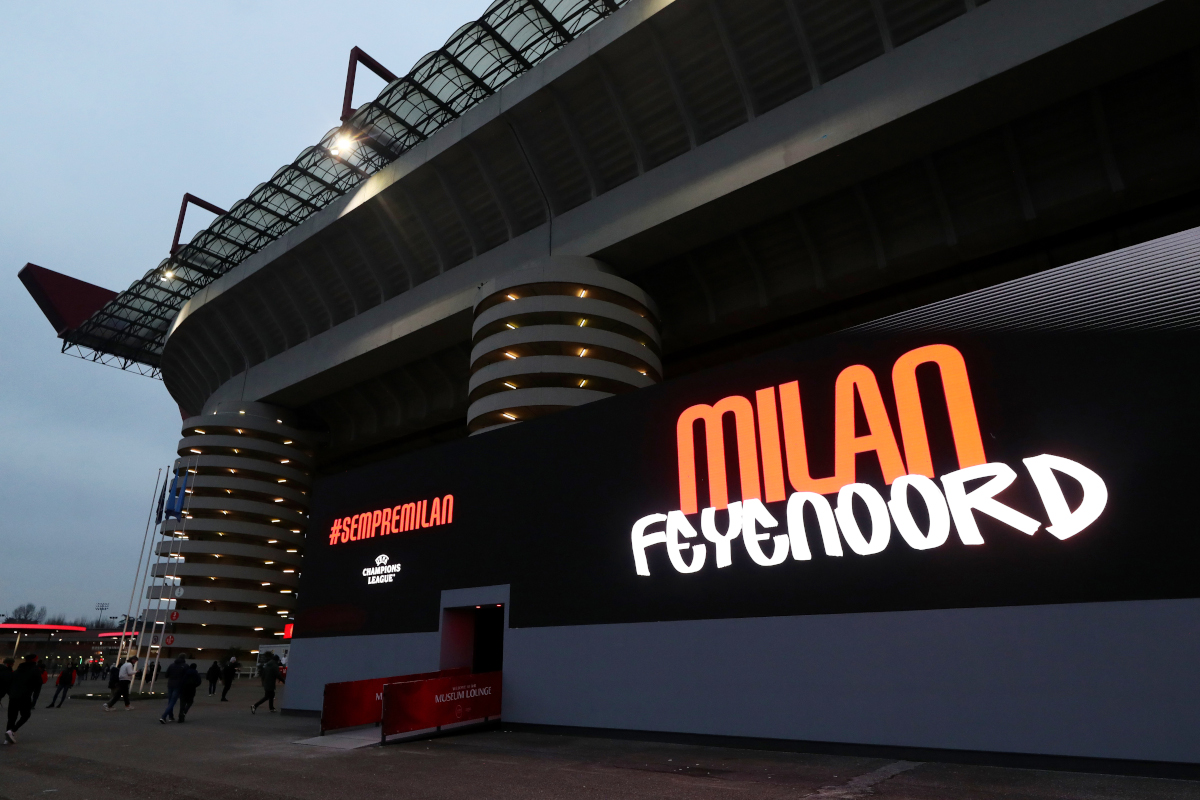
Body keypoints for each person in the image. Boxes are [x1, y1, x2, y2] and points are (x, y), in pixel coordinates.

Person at [5, 653, 40, 743]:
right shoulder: (35, 670)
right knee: (26, 715)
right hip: (25, 696)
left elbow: (10, 682)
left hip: (13, 696)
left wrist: (11, 693)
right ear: (35, 660)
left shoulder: (18, 669)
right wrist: (35, 698)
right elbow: (38, 685)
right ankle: (12, 731)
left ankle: (7, 738)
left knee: (12, 717)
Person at [159, 655, 188, 724]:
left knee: (170, 701)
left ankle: (171, 716)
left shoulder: (172, 665)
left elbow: (166, 675)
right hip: (178, 685)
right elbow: (186, 677)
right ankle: (164, 716)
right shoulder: (185, 666)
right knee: (173, 701)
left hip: (170, 684)